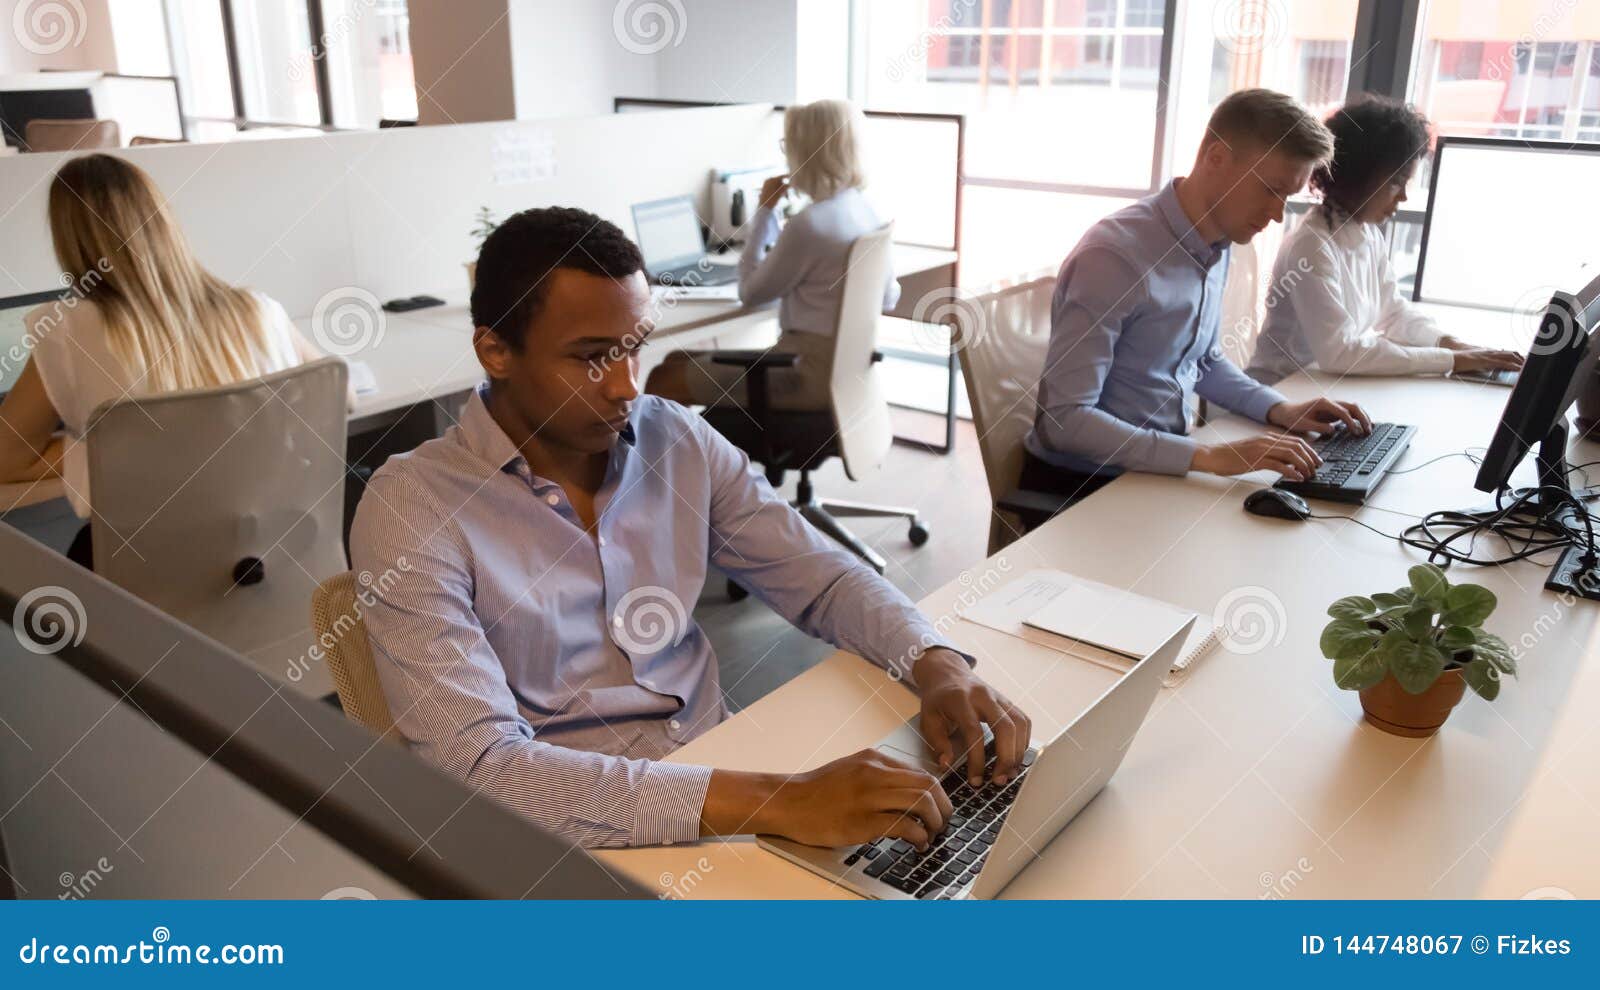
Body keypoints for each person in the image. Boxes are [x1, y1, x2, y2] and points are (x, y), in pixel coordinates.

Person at [349, 206, 1030, 850]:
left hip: (726, 784)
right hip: (571, 843)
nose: (624, 386)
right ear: (495, 351)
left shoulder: (673, 438)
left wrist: (934, 662)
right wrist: (779, 802)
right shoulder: (415, 507)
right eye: (591, 357)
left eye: (633, 349)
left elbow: (820, 578)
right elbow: (485, 771)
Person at [1022, 88, 1374, 502]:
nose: (1278, 213)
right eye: (1270, 189)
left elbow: (1200, 360)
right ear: (1216, 158)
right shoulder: (1114, 257)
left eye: (1287, 197)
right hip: (1083, 487)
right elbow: (1065, 421)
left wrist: (1280, 409)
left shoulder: (1216, 242)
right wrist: (1208, 456)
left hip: (1154, 470)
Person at [0, 154, 333, 567]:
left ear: (68, 241)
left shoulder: (66, 331)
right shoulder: (255, 308)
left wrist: (104, 448)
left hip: (146, 570)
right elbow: (338, 393)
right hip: (273, 553)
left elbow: (9, 460)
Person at [1247, 97, 1523, 384]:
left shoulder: (1365, 232)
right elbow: (1340, 351)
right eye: (1396, 182)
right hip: (1281, 392)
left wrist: (1451, 344)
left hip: (1324, 389)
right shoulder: (1311, 246)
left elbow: (1392, 313)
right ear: (1357, 176)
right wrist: (1451, 360)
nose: (1403, 196)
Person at [645, 99, 899, 411]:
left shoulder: (810, 224)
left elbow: (750, 293)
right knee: (675, 359)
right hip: (844, 376)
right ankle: (698, 455)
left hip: (802, 374)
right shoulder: (867, 212)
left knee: (661, 379)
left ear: (805, 151)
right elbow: (889, 298)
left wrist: (764, 212)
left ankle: (668, 458)